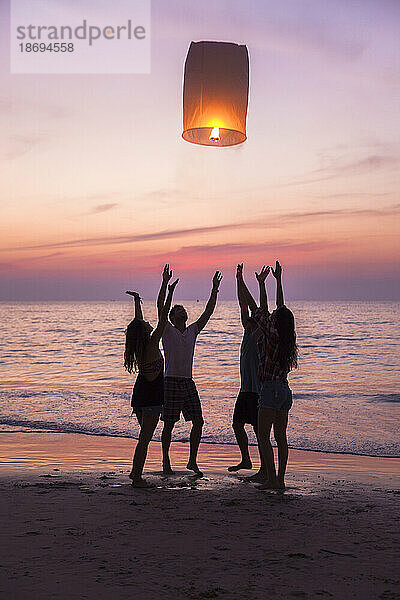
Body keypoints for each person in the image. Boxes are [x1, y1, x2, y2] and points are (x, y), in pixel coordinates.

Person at [157, 265, 223, 476]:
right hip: (170, 381)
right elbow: (160, 307)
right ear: (173, 316)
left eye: (184, 310)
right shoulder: (166, 329)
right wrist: (166, 285)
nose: (183, 311)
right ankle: (165, 460)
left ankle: (192, 461)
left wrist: (214, 289)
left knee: (198, 421)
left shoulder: (193, 330)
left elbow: (208, 312)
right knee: (169, 424)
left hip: (187, 382)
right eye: (179, 310)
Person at [242, 261, 298, 490]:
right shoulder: (287, 337)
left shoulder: (269, 330)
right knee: (281, 438)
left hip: (269, 389)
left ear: (276, 320)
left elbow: (263, 308)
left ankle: (271, 478)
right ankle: (280, 480)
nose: (272, 314)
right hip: (284, 390)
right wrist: (278, 280)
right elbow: (280, 308)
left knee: (264, 436)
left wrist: (262, 284)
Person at [124, 275, 179, 488]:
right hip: (152, 399)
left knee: (144, 437)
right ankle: (136, 477)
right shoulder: (153, 343)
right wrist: (167, 288)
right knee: (144, 439)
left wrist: (137, 302)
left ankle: (135, 473)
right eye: (146, 324)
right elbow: (164, 315)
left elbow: (138, 324)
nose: (148, 322)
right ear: (146, 331)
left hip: (139, 397)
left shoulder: (140, 346)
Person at [228, 264, 268, 482]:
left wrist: (261, 285)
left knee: (260, 432)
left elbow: (258, 307)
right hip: (245, 390)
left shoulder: (259, 335)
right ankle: (246, 459)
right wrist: (239, 279)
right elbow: (243, 304)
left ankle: (264, 469)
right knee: (237, 424)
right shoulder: (247, 334)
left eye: (251, 319)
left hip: (257, 391)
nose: (246, 320)